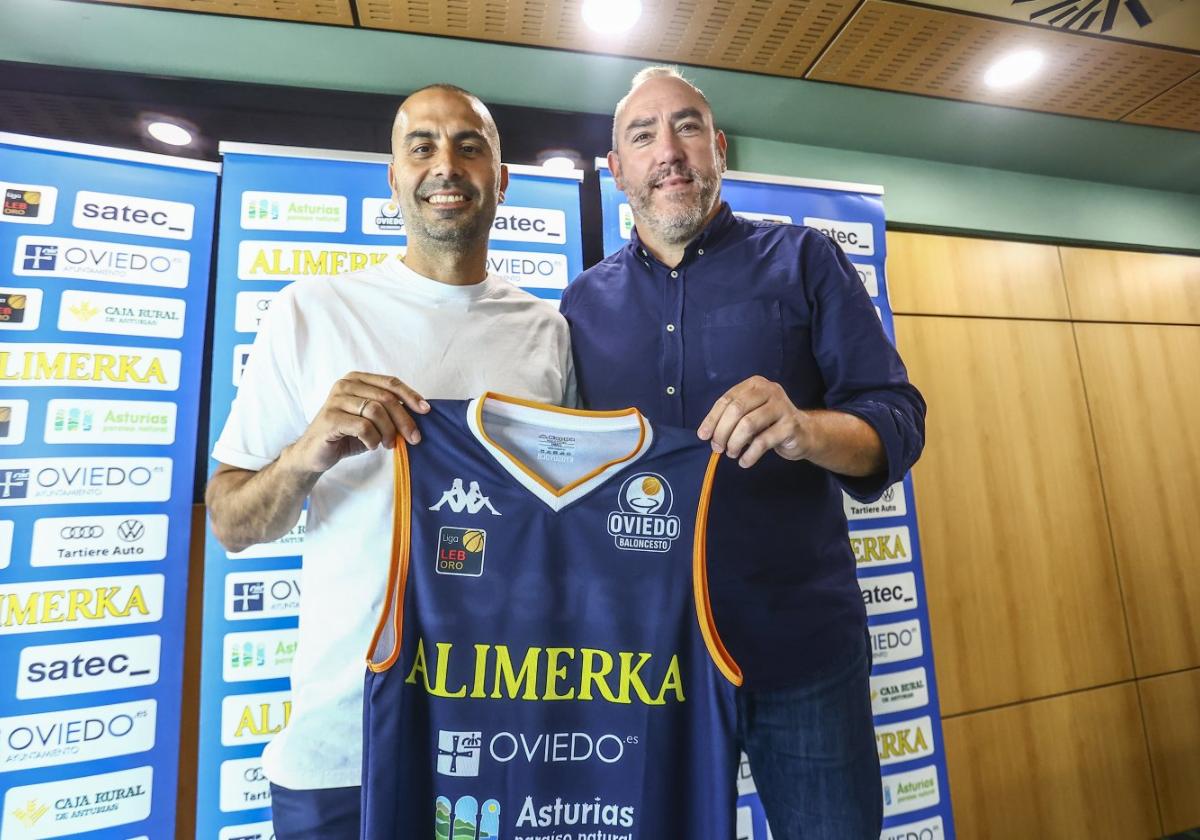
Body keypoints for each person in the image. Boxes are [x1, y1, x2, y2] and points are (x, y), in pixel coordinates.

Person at [559, 66, 926, 839]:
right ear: (615, 169)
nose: (669, 150)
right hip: (646, 668)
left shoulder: (805, 261)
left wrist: (805, 427)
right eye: (643, 135)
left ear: (718, 148)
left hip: (803, 655)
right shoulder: (579, 304)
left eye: (688, 126)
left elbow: (898, 419)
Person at [206, 84, 575, 839]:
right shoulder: (311, 310)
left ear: (501, 177)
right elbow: (230, 522)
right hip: (341, 746)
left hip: (504, 735)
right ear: (394, 176)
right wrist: (308, 453)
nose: (447, 165)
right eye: (423, 146)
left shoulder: (550, 332)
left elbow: (567, 531)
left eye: (470, 146)